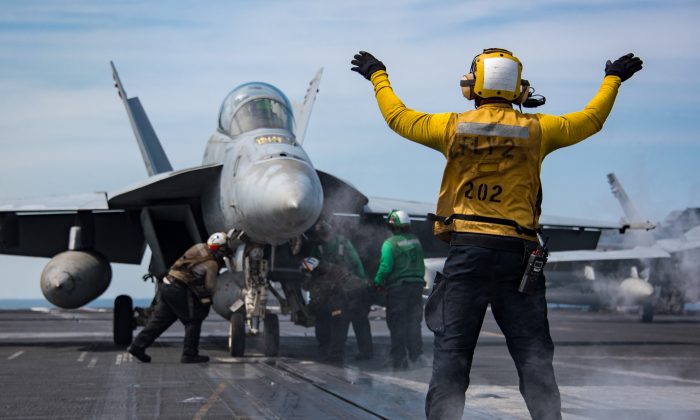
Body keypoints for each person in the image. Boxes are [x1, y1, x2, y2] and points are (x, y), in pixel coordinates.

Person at [351, 49, 642, 419]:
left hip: (468, 253)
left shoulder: (452, 127)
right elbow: (591, 119)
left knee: (452, 360)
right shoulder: (537, 130)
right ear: (519, 90)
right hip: (519, 258)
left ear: (473, 86)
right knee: (533, 359)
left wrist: (378, 75)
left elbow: (398, 117)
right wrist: (612, 78)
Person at [127, 232, 230, 363]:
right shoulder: (212, 264)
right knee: (193, 319)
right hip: (179, 289)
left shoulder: (199, 247)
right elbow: (210, 286)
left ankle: (137, 346)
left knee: (159, 322)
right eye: (224, 248)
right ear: (220, 249)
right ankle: (189, 354)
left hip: (167, 285)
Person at [308, 220, 373, 361]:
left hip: (341, 292)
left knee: (338, 322)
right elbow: (356, 262)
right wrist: (363, 280)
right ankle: (366, 352)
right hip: (356, 288)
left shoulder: (318, 249)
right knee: (360, 321)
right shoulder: (343, 242)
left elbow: (310, 266)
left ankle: (335, 355)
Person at [374, 210, 426, 369]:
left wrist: (378, 281)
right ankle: (416, 357)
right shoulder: (416, 241)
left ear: (392, 226)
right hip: (416, 287)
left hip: (398, 289)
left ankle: (399, 360)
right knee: (414, 323)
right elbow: (421, 264)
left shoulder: (390, 244)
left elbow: (386, 266)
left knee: (397, 324)